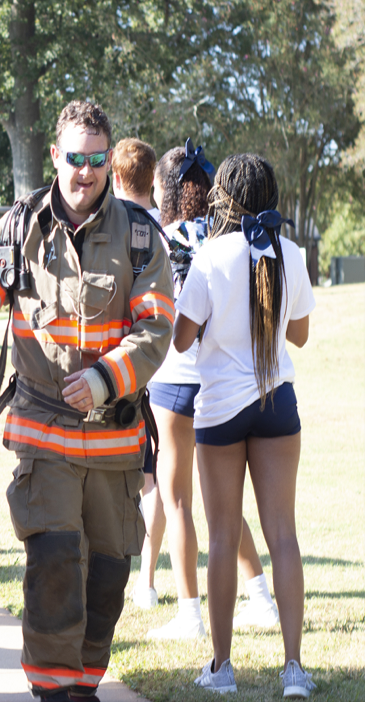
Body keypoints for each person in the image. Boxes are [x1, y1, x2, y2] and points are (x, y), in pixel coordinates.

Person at [0, 100, 173, 702]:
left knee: (107, 579)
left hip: (114, 443)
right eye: (74, 158)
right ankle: (53, 693)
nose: (85, 172)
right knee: (53, 570)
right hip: (44, 440)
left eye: (97, 160)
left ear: (108, 161)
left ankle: (82, 685)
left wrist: (105, 378)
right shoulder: (19, 227)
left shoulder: (140, 236)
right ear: (55, 156)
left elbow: (156, 330)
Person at [174, 154, 315, 697]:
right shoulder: (292, 253)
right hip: (279, 402)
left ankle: (222, 668)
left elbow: (183, 340)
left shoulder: (209, 257)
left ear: (223, 200)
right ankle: (295, 670)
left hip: (220, 412)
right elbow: (298, 336)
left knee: (223, 537)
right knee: (284, 536)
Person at [135, 143, 280, 639]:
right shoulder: (231, 235)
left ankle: (190, 613)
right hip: (223, 380)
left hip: (175, 378)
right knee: (224, 503)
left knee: (176, 501)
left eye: (157, 186)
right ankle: (259, 596)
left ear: (170, 189)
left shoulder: (159, 237)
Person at [109, 137, 164, 610]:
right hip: (159, 370)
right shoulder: (163, 231)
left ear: (118, 176)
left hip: (139, 375)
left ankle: (144, 579)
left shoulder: (125, 228)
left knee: (147, 482)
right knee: (155, 482)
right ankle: (146, 578)